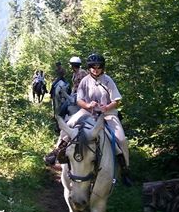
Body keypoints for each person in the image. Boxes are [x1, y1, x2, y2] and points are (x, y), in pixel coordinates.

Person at [45, 53, 133, 187]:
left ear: (102, 67)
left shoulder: (108, 80)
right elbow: (79, 100)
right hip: (87, 112)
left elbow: (117, 100)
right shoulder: (85, 80)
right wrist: (87, 105)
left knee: (121, 139)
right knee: (68, 125)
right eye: (93, 67)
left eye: (98, 67)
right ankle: (56, 153)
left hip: (108, 114)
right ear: (89, 67)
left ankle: (125, 170)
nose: (96, 70)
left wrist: (106, 107)